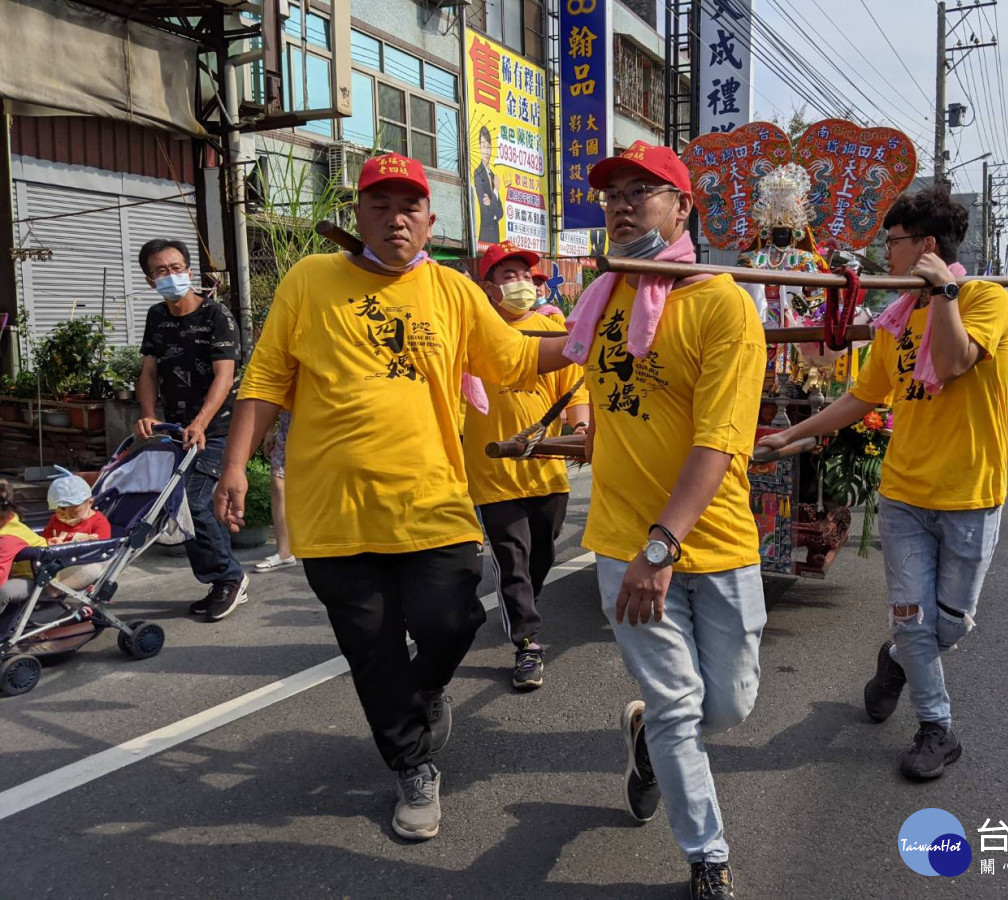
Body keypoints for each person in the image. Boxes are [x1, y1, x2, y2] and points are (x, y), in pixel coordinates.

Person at [211, 153, 571, 843]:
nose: (395, 216)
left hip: (432, 502)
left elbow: (519, 359)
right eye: (380, 205)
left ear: (430, 221)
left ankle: (424, 693)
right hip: (334, 513)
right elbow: (266, 379)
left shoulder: (454, 292)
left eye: (409, 206)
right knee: (371, 651)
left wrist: (597, 332)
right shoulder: (310, 280)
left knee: (454, 619)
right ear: (359, 216)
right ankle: (411, 766)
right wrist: (233, 465)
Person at [759, 183, 1008, 781]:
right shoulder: (895, 319)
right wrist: (792, 436)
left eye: (894, 243)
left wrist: (943, 292)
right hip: (903, 496)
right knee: (911, 616)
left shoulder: (982, 300)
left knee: (950, 623)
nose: (886, 255)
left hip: (971, 496)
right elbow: (861, 397)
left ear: (925, 246)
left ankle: (897, 661)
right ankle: (936, 727)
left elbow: (951, 365)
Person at [569, 142, 767, 900]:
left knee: (729, 704)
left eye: (643, 191)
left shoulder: (722, 305)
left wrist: (665, 544)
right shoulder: (605, 296)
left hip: (709, 541)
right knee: (683, 707)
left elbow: (719, 439)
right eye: (613, 192)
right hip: (624, 540)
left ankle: (645, 739)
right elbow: (559, 354)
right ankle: (707, 857)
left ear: (682, 208)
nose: (621, 203)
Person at [463, 242, 589, 691]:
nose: (518, 284)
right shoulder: (471, 333)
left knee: (543, 553)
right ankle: (527, 643)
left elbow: (574, 391)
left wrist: (580, 432)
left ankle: (523, 605)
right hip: (492, 471)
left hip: (547, 467)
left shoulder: (550, 331)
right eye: (508, 276)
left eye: (523, 275)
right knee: (512, 560)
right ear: (488, 288)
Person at [135, 238, 247, 622]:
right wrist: (148, 414)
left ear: (189, 270)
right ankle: (220, 579)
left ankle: (229, 578)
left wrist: (200, 423)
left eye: (177, 267)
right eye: (161, 271)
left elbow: (224, 376)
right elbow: (149, 372)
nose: (171, 275)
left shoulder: (217, 316)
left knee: (197, 501)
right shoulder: (156, 317)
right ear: (151, 280)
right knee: (181, 506)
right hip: (175, 430)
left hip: (219, 430)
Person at [42, 473, 112, 592]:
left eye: (74, 513)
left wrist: (90, 541)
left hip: (83, 562)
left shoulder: (99, 521)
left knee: (92, 569)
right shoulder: (55, 519)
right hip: (58, 561)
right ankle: (47, 587)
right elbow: (45, 537)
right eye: (62, 513)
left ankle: (55, 589)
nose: (68, 517)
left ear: (90, 503)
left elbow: (103, 548)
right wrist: (50, 542)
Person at [255, 411, 296, 571]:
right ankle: (284, 552)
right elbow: (275, 392)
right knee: (278, 482)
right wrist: (269, 430)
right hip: (287, 427)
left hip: (319, 427)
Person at [0, 480, 45, 616]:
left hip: (38, 580)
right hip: (15, 573)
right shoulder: (9, 522)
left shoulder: (8, 537)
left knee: (3, 591)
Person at [473, 126, 502, 245]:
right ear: (479, 147)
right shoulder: (478, 173)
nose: (486, 151)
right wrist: (495, 192)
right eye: (483, 146)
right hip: (485, 235)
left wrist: (492, 202)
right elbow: (486, 214)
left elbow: (500, 213)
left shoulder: (493, 176)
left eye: (488, 147)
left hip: (496, 235)